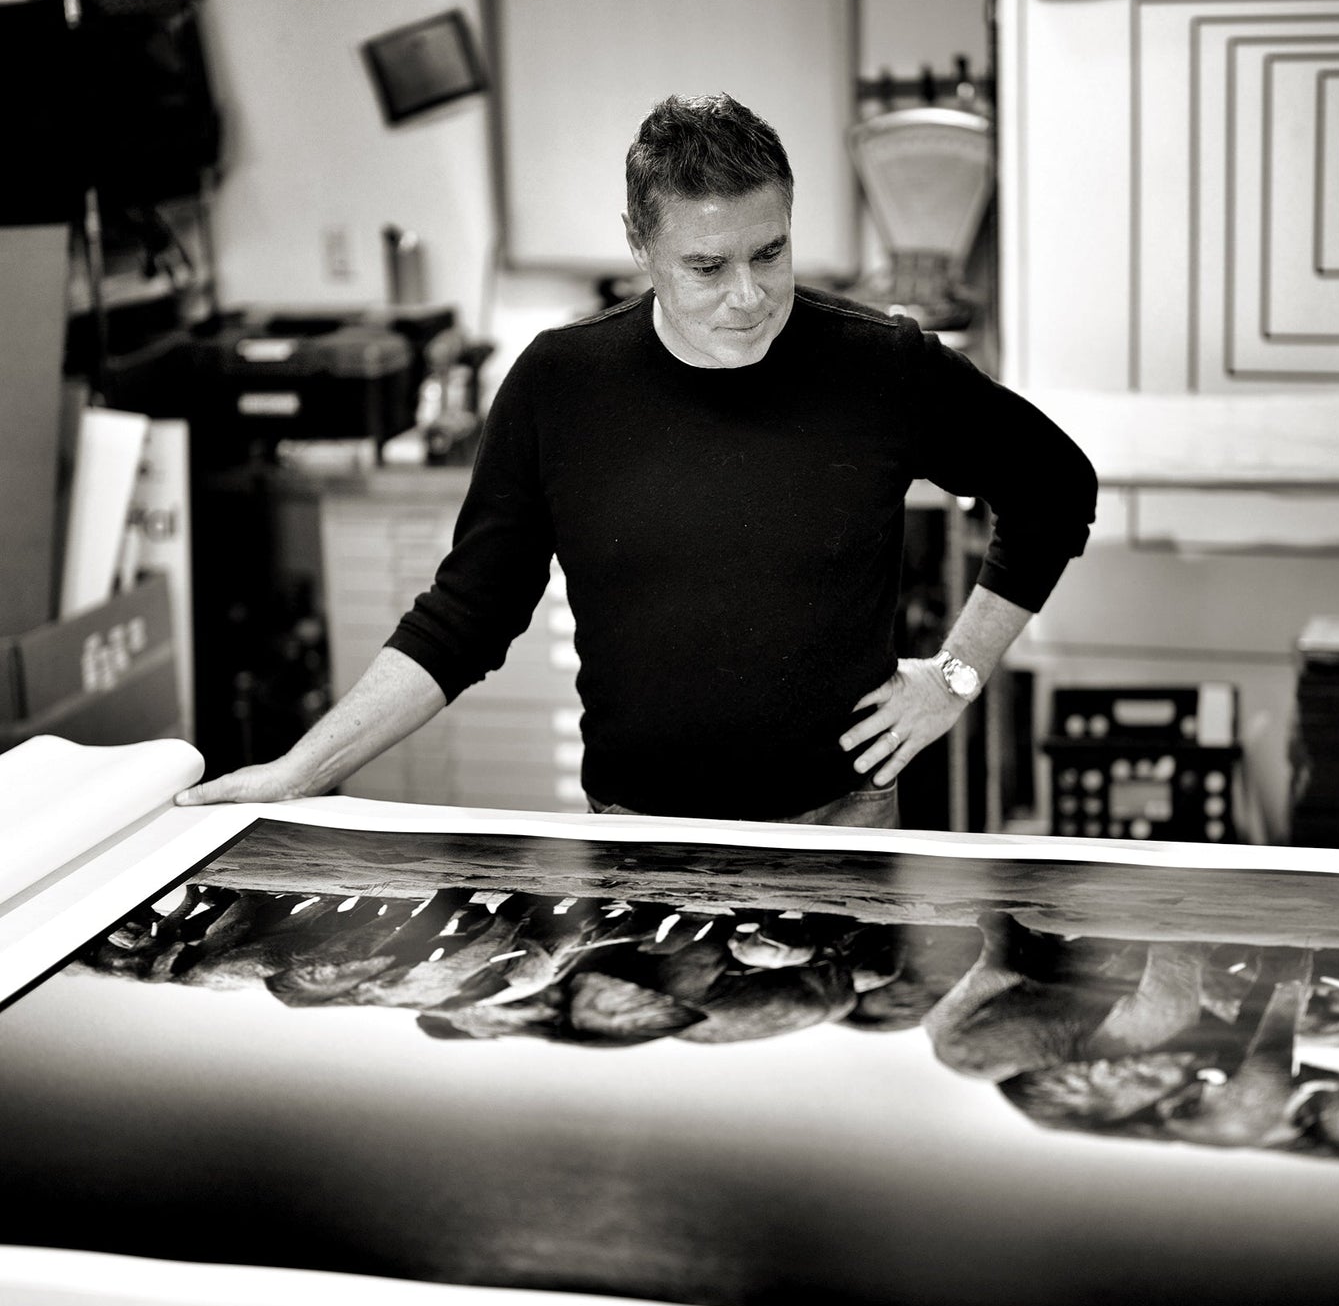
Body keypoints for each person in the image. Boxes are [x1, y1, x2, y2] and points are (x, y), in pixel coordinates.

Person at [178, 93, 1096, 828]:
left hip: (842, 820)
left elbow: (1053, 487)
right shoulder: (560, 384)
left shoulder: (878, 362)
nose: (749, 296)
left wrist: (953, 676)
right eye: (706, 267)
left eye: (769, 252)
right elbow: (464, 617)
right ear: (639, 248)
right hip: (634, 827)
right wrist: (303, 769)